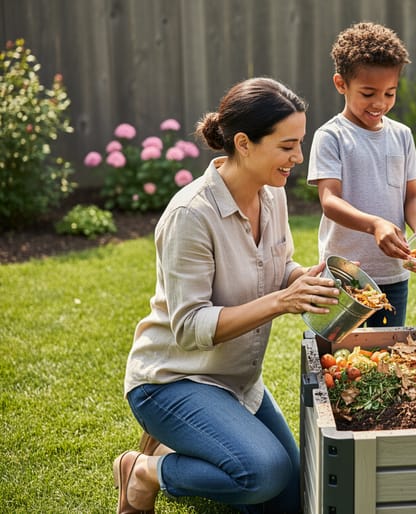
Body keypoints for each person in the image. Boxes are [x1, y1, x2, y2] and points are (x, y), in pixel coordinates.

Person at [113, 77, 341, 513]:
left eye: (300, 143)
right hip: (173, 380)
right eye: (287, 145)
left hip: (237, 381)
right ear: (244, 143)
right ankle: (143, 469)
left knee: (291, 493)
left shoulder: (272, 195)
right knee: (262, 473)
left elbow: (277, 269)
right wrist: (282, 301)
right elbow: (190, 327)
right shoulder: (190, 215)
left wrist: (304, 279)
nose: (299, 157)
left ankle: (178, 451)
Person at [307, 22, 416, 327]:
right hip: (345, 273)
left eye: (390, 93)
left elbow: (412, 197)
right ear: (341, 84)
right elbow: (329, 201)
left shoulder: (402, 135)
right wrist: (375, 224)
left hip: (393, 273)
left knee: (386, 359)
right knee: (335, 359)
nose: (380, 103)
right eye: (368, 93)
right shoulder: (331, 136)